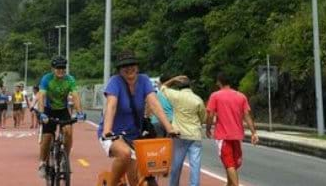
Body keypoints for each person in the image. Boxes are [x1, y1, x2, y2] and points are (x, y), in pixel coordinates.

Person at [98, 50, 176, 186]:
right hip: (114, 134)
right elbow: (111, 106)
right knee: (125, 153)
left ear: (137, 66)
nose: (129, 69)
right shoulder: (115, 82)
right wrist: (107, 131)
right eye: (125, 66)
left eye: (132, 64)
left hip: (136, 136)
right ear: (119, 70)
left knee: (136, 179)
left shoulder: (144, 80)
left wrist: (169, 127)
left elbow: (154, 103)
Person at [205, 72, 259, 186]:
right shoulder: (241, 96)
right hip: (237, 135)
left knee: (229, 164)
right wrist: (254, 133)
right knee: (233, 163)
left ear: (219, 82)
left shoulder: (215, 96)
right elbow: (247, 116)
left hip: (223, 136)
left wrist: (208, 128)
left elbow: (210, 115)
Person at [36, 56, 86, 178]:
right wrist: (42, 113)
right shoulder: (46, 79)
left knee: (68, 131)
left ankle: (65, 159)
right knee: (47, 136)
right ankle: (42, 163)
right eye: (58, 68)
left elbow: (75, 96)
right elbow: (41, 96)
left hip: (62, 110)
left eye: (63, 68)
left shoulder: (70, 80)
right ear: (53, 69)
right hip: (48, 110)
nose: (61, 70)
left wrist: (79, 112)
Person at [161, 75, 206, 186]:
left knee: (176, 164)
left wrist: (172, 79)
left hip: (179, 135)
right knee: (195, 165)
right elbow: (203, 118)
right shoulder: (198, 99)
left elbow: (163, 87)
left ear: (178, 86)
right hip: (195, 135)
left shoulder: (176, 96)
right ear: (190, 86)